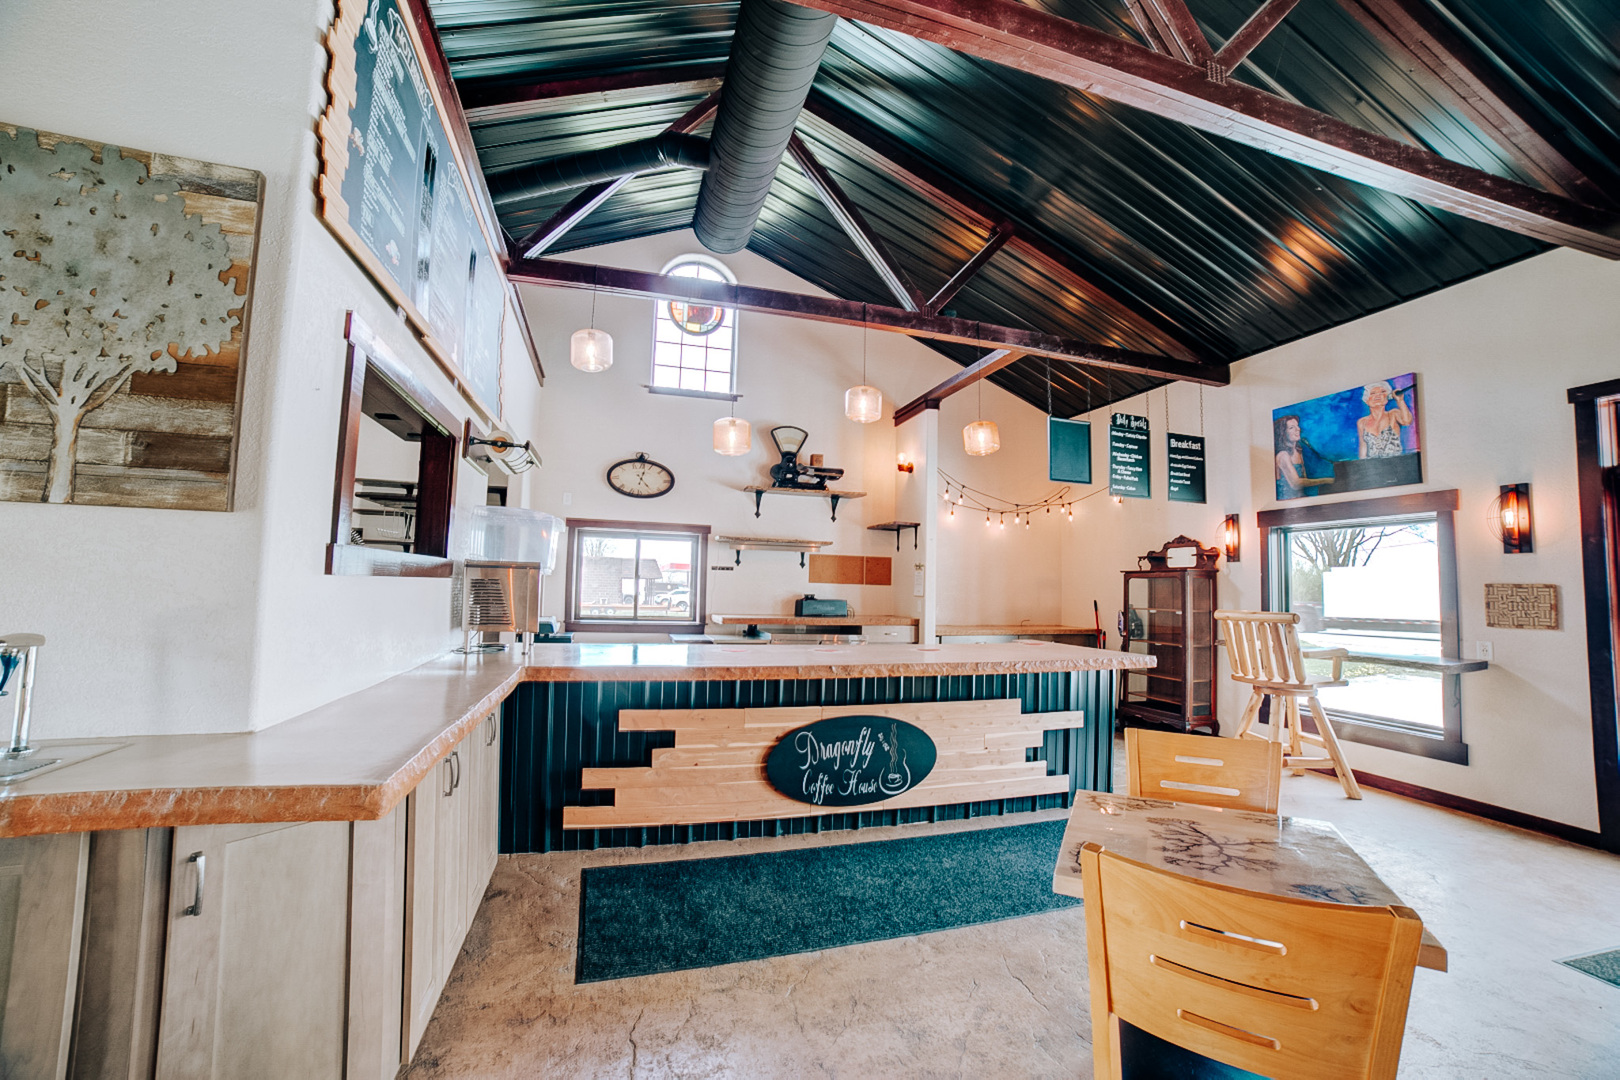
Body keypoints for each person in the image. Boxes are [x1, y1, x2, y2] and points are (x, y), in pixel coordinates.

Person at [1274, 414, 1333, 499]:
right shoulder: (1283, 455)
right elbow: (1296, 484)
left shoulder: (1298, 451)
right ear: (1283, 433)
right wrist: (1326, 480)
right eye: (1291, 428)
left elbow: (1304, 480)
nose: (1298, 429)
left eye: (1297, 426)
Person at [1358, 380, 1413, 459]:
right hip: (1373, 467)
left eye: (1382, 392)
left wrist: (1400, 400)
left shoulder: (1393, 414)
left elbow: (1407, 421)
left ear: (1387, 397)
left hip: (1396, 464)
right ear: (1366, 400)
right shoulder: (1362, 422)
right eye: (1373, 393)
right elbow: (1363, 447)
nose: (1378, 395)